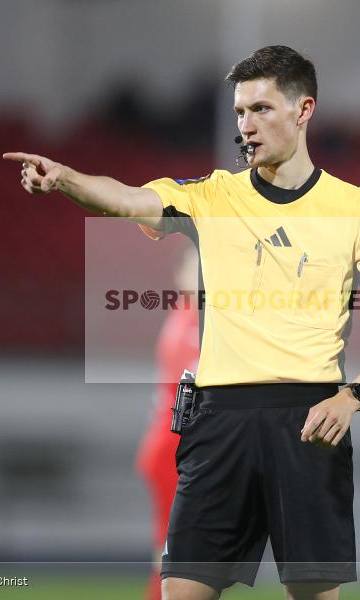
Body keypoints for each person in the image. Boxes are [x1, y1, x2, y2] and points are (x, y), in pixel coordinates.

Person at [4, 45, 360, 600]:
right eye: (240, 113)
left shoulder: (356, 209)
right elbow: (128, 201)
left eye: (261, 110)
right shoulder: (212, 196)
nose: (246, 126)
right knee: (180, 592)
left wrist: (352, 397)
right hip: (218, 420)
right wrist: (66, 179)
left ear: (304, 111)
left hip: (310, 422)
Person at [135, 245, 200, 600]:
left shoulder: (187, 315)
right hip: (176, 446)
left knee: (175, 546)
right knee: (177, 549)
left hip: (170, 443)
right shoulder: (192, 321)